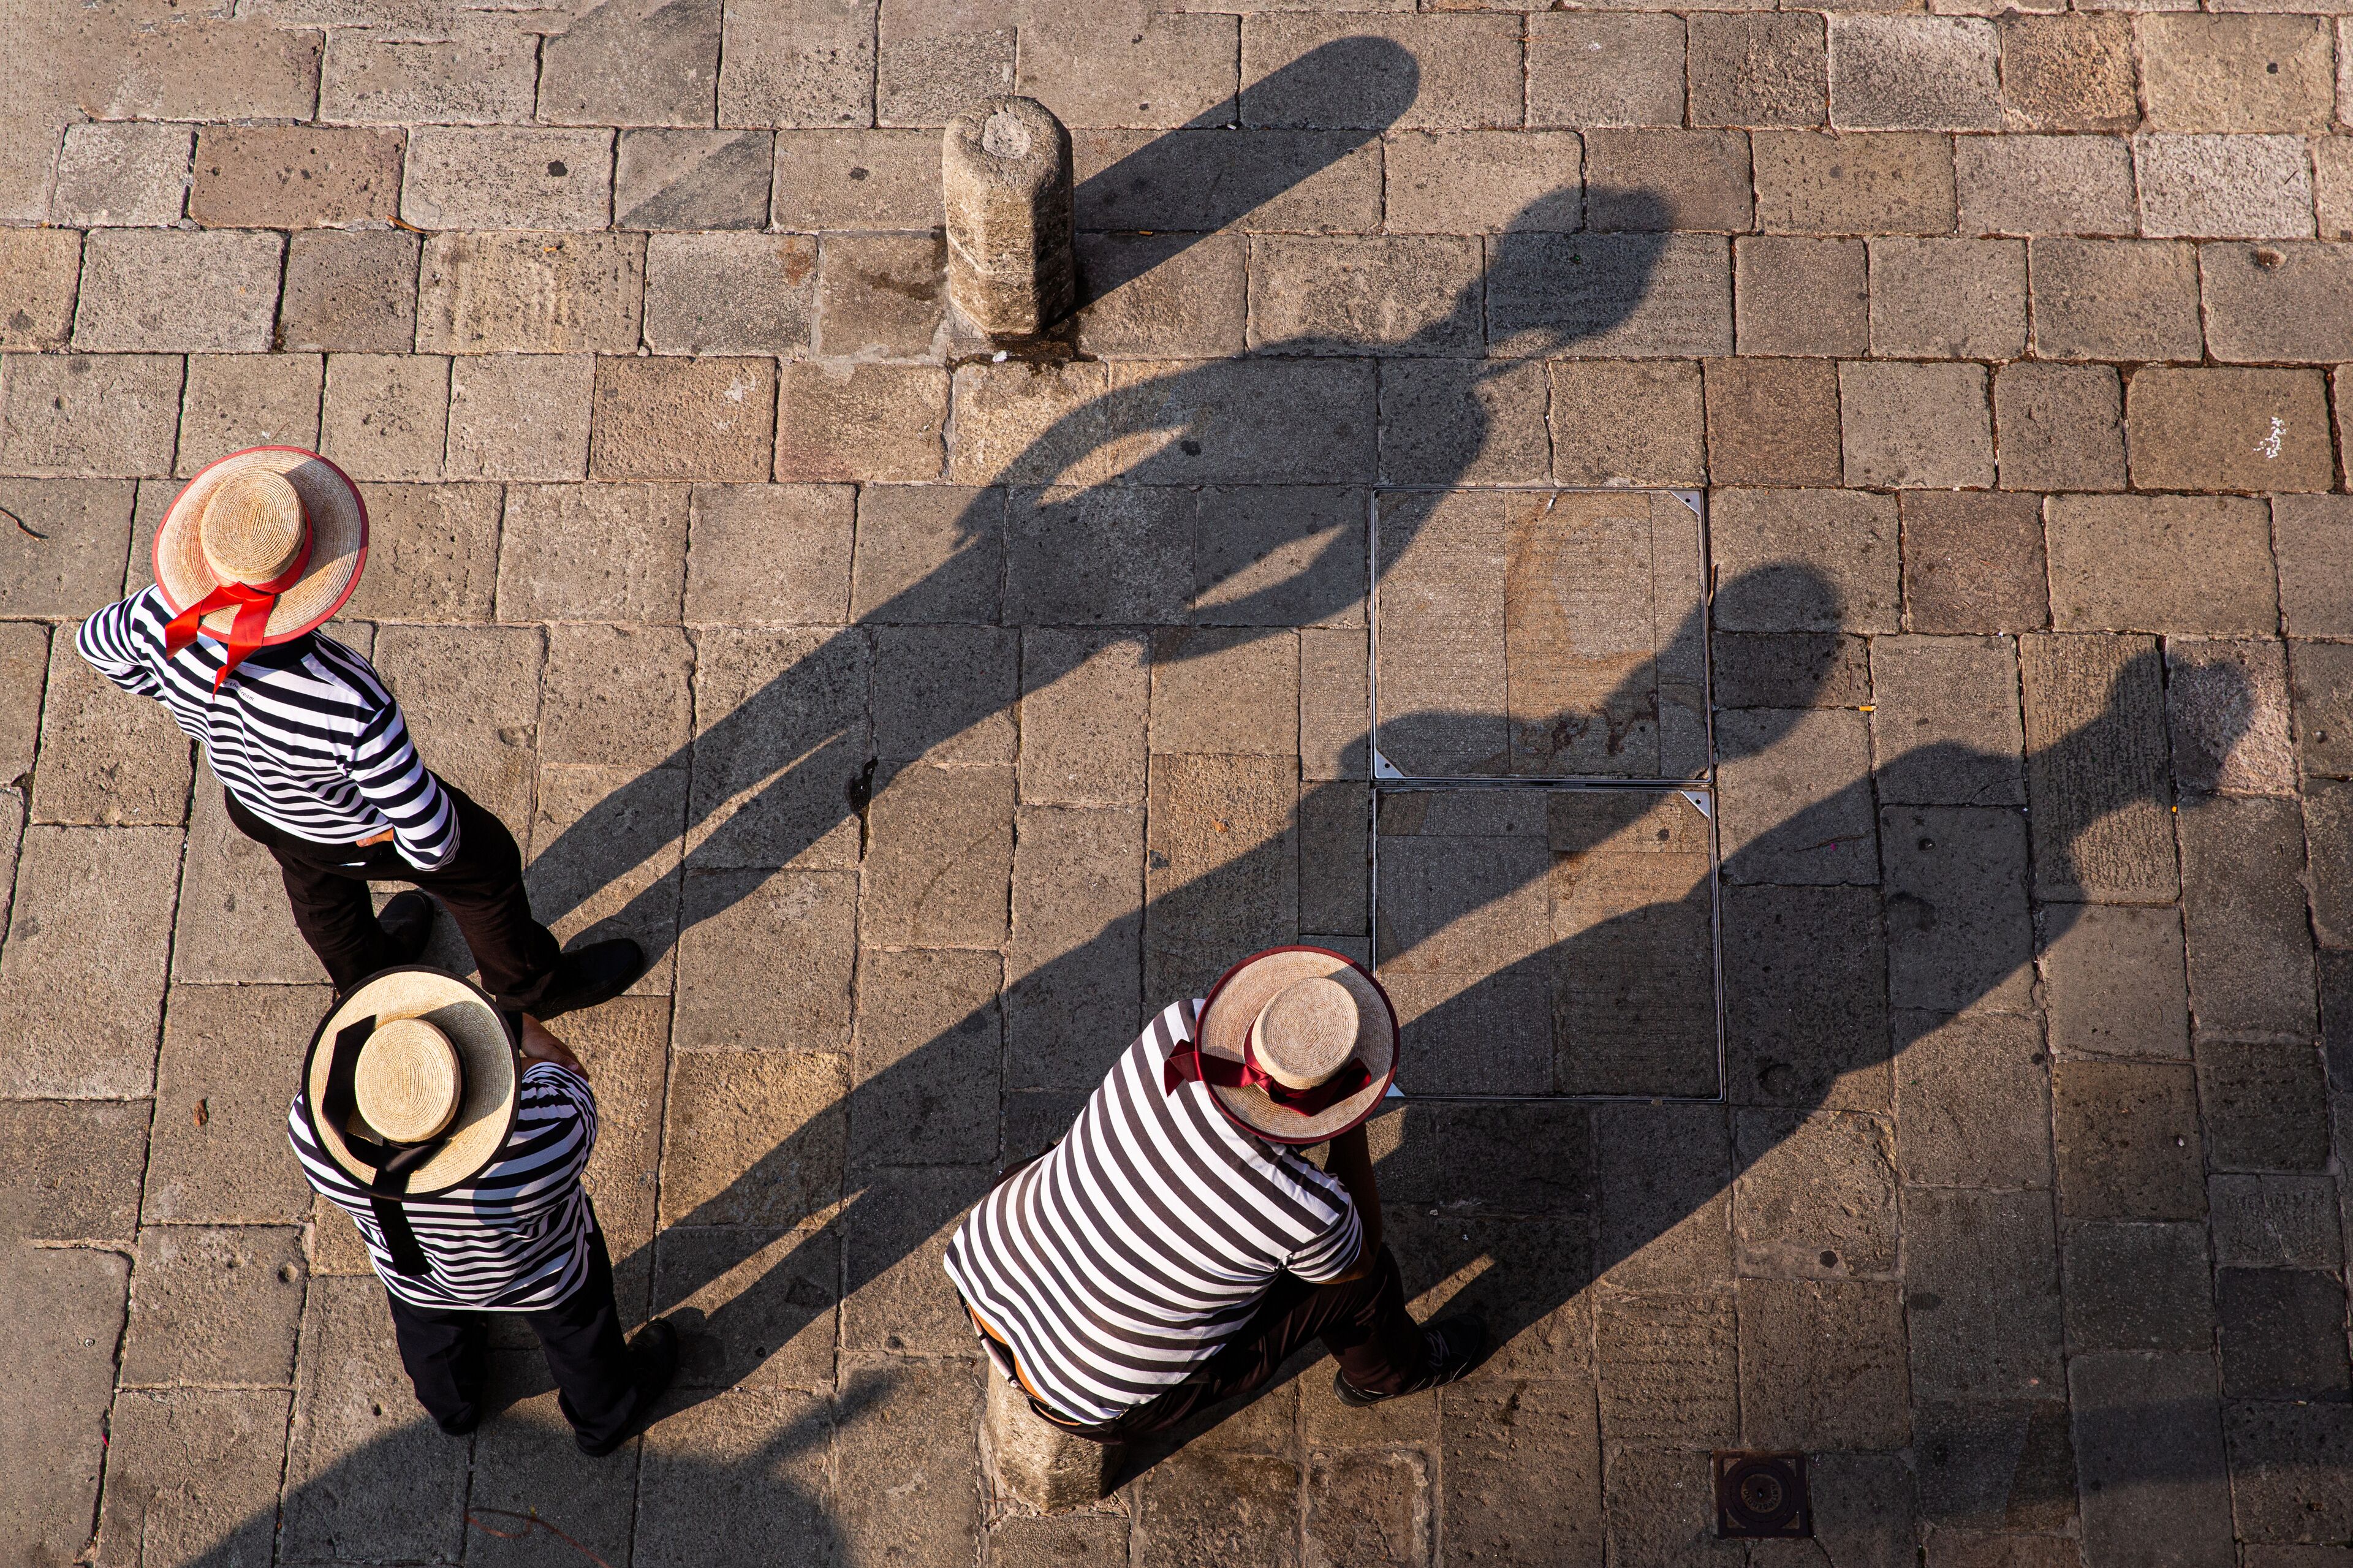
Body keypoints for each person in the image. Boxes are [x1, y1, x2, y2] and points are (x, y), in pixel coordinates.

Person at [75, 445, 637, 1015]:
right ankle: (532, 990)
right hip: (349, 829)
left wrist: (176, 696)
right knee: (484, 864)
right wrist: (395, 842)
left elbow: (94, 645)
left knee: (323, 902)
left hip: (257, 806)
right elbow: (434, 837)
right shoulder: (348, 698)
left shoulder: (155, 616)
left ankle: (373, 989)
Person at [943, 945, 1483, 1439]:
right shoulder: (1309, 1209)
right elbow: (1358, 1255)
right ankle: (1389, 1373)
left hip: (985, 1264)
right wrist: (1350, 1119)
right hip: (1082, 1396)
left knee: (1060, 1161)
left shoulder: (1176, 1027)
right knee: (1367, 1282)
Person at [289, 966, 678, 1453]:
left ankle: (456, 1410)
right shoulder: (546, 1134)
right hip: (544, 1275)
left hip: (418, 1278)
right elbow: (564, 1068)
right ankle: (603, 1420)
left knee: (431, 1345)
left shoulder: (312, 1131)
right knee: (582, 1342)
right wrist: (514, 1025)